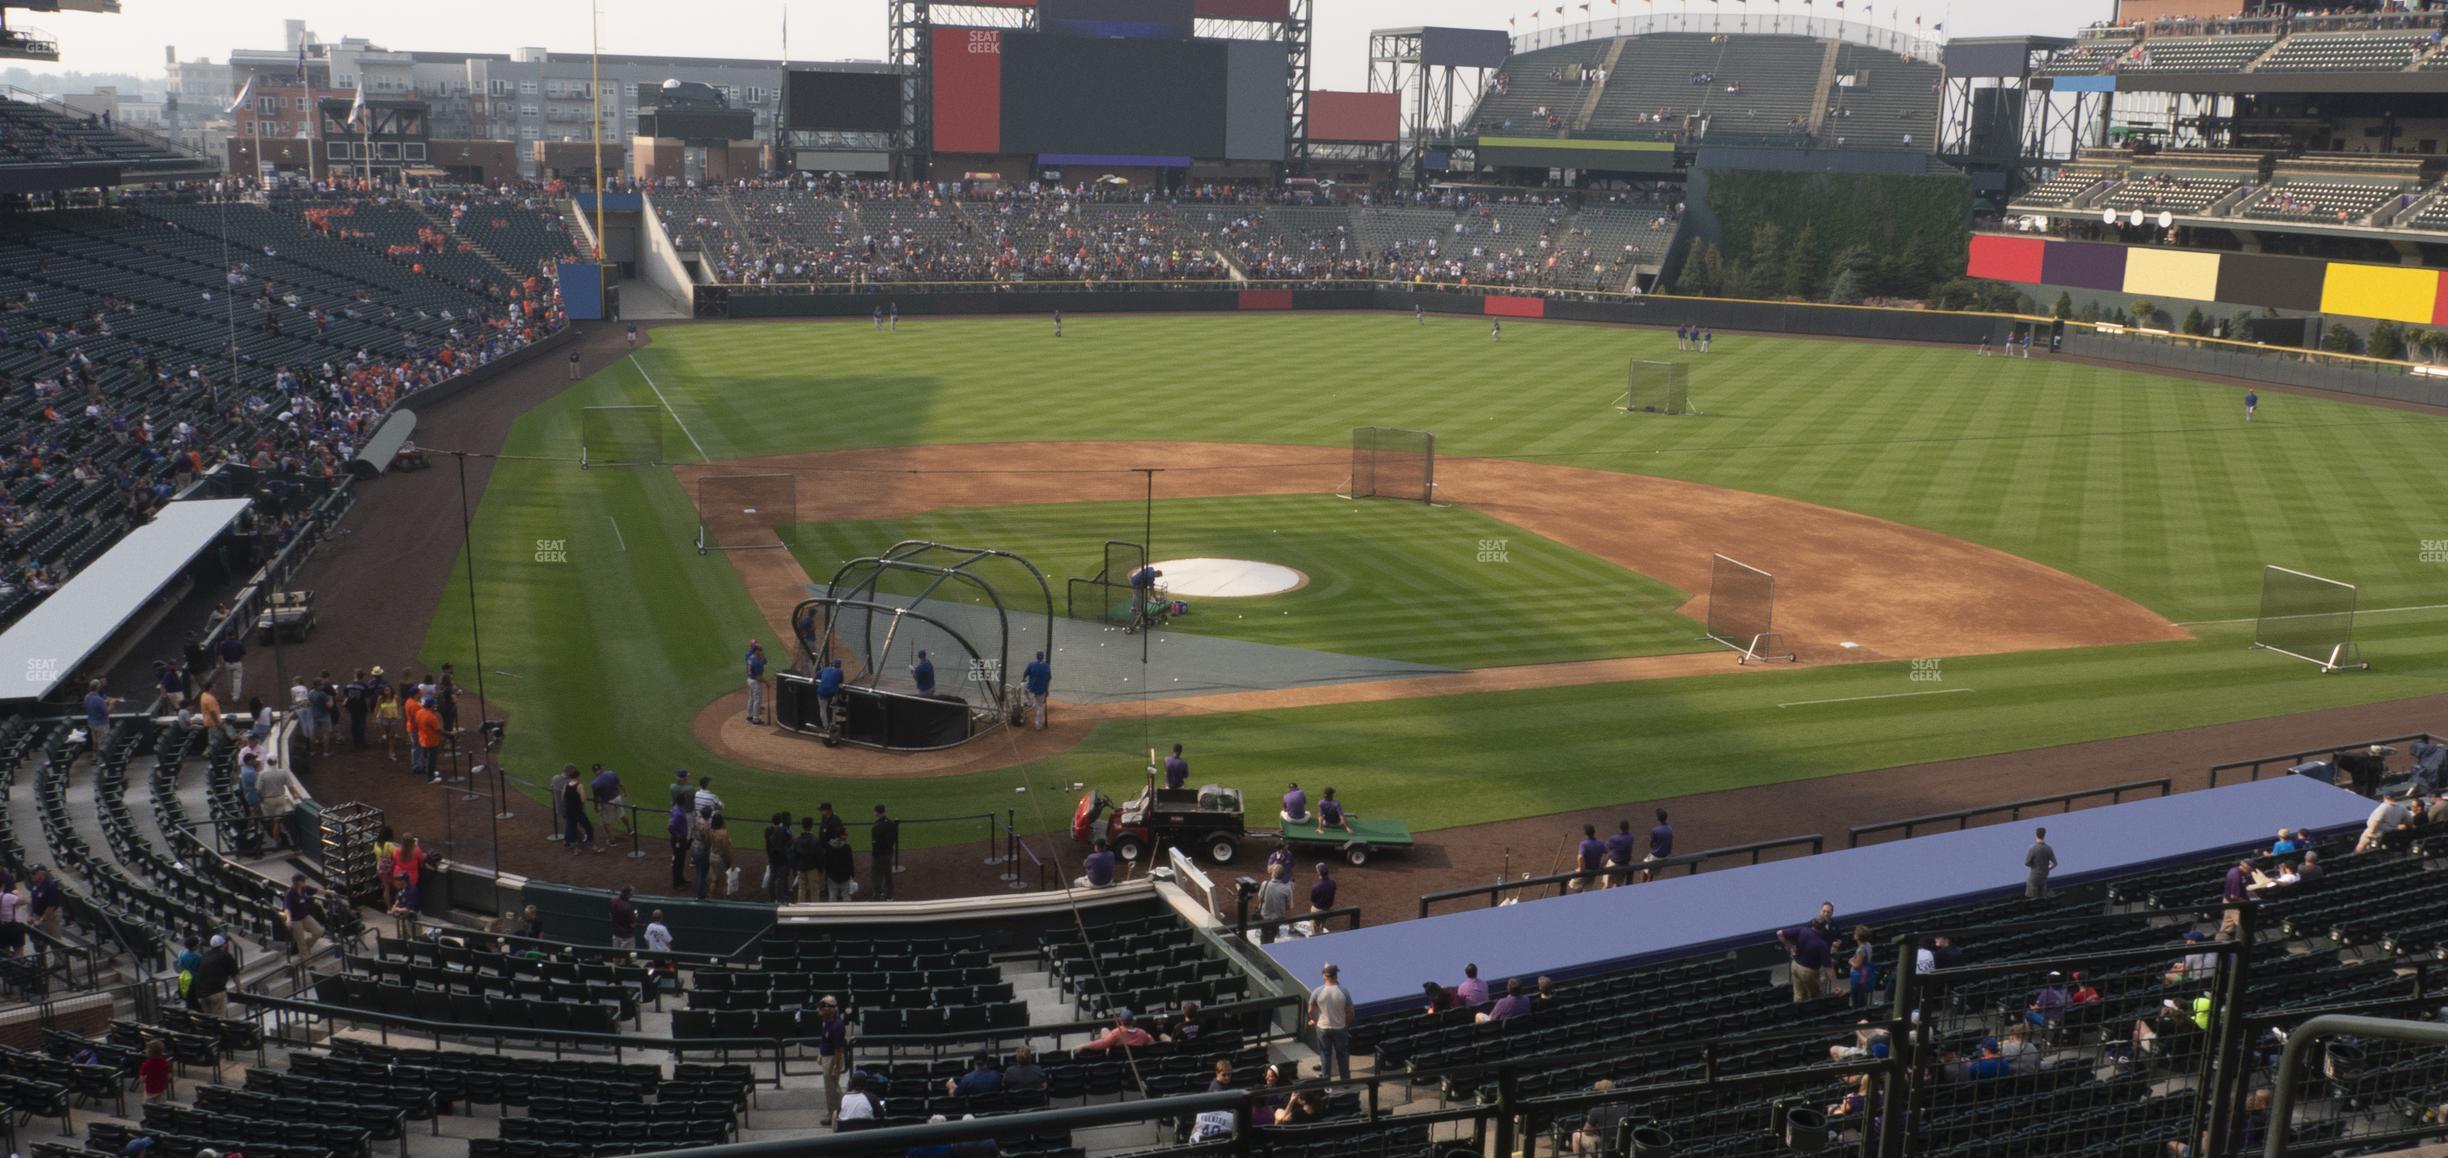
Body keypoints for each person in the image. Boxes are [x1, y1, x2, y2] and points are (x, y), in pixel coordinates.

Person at [1778, 903, 1835, 1002]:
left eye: (1828, 912)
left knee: (1801, 995)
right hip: (1810, 968)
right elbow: (1828, 967)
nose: (1825, 913)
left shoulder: (1804, 930)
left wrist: (1790, 947)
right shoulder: (1819, 940)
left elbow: (1780, 933)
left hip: (1804, 964)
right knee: (1815, 996)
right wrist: (1836, 985)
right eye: (1823, 911)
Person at [814, 996, 850, 1124]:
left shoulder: (837, 1026)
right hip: (826, 1057)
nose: (820, 1009)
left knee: (832, 1089)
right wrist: (820, 1053)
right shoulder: (825, 1020)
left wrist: (835, 1067)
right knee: (831, 1088)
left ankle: (836, 1115)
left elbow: (838, 1049)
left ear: (831, 1009)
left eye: (823, 1007)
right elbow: (824, 1039)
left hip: (833, 1058)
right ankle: (836, 1112)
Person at [189, 933, 237, 1017]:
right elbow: (235, 974)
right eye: (225, 943)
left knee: (208, 1021)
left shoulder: (204, 956)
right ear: (223, 945)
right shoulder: (226, 956)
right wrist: (239, 989)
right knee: (219, 1019)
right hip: (216, 992)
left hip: (201, 994)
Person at [281, 873, 325, 961]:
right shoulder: (290, 894)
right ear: (297, 882)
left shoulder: (305, 888)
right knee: (300, 939)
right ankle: (306, 960)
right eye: (302, 881)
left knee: (319, 931)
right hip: (295, 919)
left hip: (305, 916)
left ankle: (305, 946)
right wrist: (288, 919)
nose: (304, 882)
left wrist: (329, 892)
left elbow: (316, 890)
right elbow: (287, 908)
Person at [1077, 1009, 1153, 1053]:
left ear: (1121, 1021)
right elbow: (1151, 1042)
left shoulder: (1117, 1033)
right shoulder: (1142, 1033)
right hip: (1134, 1059)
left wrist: (1084, 1045)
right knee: (1104, 1031)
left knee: (1104, 1031)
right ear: (1133, 1021)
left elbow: (1102, 1044)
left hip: (1116, 1059)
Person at [560, 768, 596, 851]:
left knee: (570, 827)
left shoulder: (566, 785)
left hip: (569, 810)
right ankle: (590, 842)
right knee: (588, 827)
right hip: (578, 811)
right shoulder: (580, 785)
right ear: (578, 776)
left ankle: (571, 845)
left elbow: (562, 797)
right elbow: (583, 799)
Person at [1256, 863, 1292, 942]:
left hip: (1265, 917)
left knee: (1264, 935)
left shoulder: (1264, 884)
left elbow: (1260, 899)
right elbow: (1288, 907)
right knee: (1272, 934)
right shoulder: (1286, 889)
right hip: (1278, 918)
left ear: (1273, 873)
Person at [869, 804, 899, 901]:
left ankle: (877, 896)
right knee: (888, 875)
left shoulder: (876, 826)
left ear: (877, 812)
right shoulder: (892, 824)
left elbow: (875, 844)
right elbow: (894, 839)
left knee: (877, 876)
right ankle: (889, 896)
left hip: (879, 855)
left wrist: (875, 855)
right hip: (889, 853)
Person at [591, 764, 630, 836]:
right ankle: (630, 830)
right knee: (622, 815)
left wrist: (595, 807)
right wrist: (625, 792)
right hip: (617, 798)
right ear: (601, 768)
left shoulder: (595, 783)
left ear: (594, 771)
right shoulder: (611, 773)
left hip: (607, 803)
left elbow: (596, 798)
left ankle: (612, 840)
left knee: (606, 822)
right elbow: (620, 784)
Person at [1846, 924, 1877, 1008]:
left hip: (1859, 978)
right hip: (1865, 975)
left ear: (1858, 937)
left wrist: (1850, 961)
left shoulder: (1861, 950)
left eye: (1855, 933)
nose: (1854, 934)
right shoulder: (1868, 945)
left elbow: (1857, 965)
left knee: (1857, 1001)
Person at [1604, 819, 1639, 888]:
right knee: (1618, 885)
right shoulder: (1631, 837)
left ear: (1620, 828)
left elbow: (1606, 848)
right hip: (1624, 865)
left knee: (1606, 886)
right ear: (1628, 827)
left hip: (1613, 864)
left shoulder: (1614, 838)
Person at [1642, 809, 1675, 882]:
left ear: (1657, 818)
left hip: (1656, 856)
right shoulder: (1670, 828)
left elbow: (1651, 844)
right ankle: (1650, 880)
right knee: (1651, 870)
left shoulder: (1655, 830)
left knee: (1643, 867)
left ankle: (1642, 885)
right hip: (1666, 856)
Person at [1021, 651, 1051, 730]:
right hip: (1042, 690)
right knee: (1040, 707)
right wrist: (1047, 690)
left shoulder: (1031, 664)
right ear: (1043, 657)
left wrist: (1023, 680)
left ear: (1037, 657)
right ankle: (1038, 726)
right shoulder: (1047, 666)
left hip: (1031, 689)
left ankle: (1029, 702)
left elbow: (1024, 674)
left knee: (1022, 685)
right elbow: (1048, 679)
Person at [2026, 827, 2056, 900]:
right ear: (2044, 835)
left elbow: (2027, 863)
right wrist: (2047, 868)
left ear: (2036, 835)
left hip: (2034, 876)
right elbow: (2055, 863)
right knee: (2042, 896)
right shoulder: (2048, 848)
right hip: (2044, 875)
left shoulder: (2032, 848)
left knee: (2033, 897)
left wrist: (2035, 867)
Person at [139, 1039, 173, 1103]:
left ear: (149, 1052)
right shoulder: (165, 1063)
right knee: (160, 1109)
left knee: (149, 1109)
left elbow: (142, 1079)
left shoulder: (146, 1065)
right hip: (161, 1090)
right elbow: (169, 1076)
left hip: (150, 1091)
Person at [1575, 823, 1606, 891]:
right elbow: (1610, 853)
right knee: (1587, 887)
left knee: (1573, 884)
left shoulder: (1583, 844)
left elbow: (1580, 857)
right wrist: (1603, 864)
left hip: (1586, 871)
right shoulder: (1600, 843)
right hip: (1595, 869)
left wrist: (1580, 869)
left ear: (1585, 833)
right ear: (1594, 832)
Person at [744, 640, 768, 726]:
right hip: (756, 682)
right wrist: (767, 683)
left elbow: (764, 661)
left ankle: (750, 715)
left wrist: (761, 657)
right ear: (756, 650)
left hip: (750, 679)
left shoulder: (751, 657)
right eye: (760, 650)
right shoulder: (756, 662)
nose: (761, 651)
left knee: (751, 698)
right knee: (757, 700)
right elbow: (759, 677)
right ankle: (756, 719)